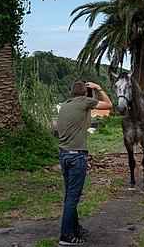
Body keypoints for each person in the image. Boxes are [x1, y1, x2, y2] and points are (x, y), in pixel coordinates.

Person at [57, 80, 112, 246]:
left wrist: (89, 99)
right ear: (85, 94)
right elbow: (109, 105)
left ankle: (75, 228)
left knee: (69, 194)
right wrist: (98, 88)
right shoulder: (85, 101)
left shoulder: (65, 105)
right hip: (76, 157)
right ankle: (66, 236)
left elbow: (86, 123)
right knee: (72, 197)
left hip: (63, 155)